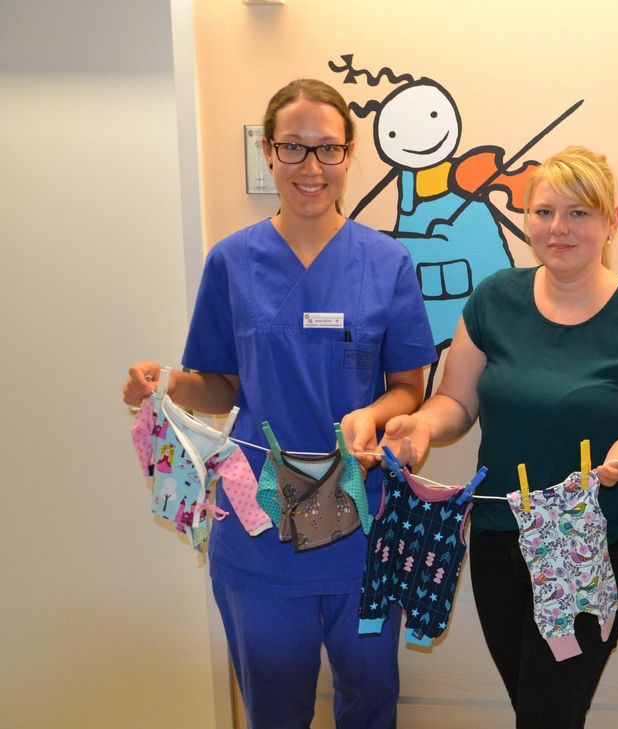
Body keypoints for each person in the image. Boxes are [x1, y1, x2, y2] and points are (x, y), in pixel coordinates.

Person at [122, 79, 436, 729]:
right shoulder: (232, 262)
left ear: (349, 154)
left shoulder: (387, 261)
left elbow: (411, 387)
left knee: (371, 700)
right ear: (268, 151)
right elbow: (221, 383)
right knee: (274, 709)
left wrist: (374, 416)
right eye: (293, 147)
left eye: (327, 148)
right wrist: (169, 384)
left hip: (362, 526)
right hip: (259, 530)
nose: (310, 166)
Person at [379, 146, 618, 728]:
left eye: (579, 213)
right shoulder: (494, 299)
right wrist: (421, 425)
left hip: (593, 544)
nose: (558, 228)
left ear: (611, 221)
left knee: (547, 714)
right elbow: (457, 402)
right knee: (536, 708)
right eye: (544, 212)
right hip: (499, 537)